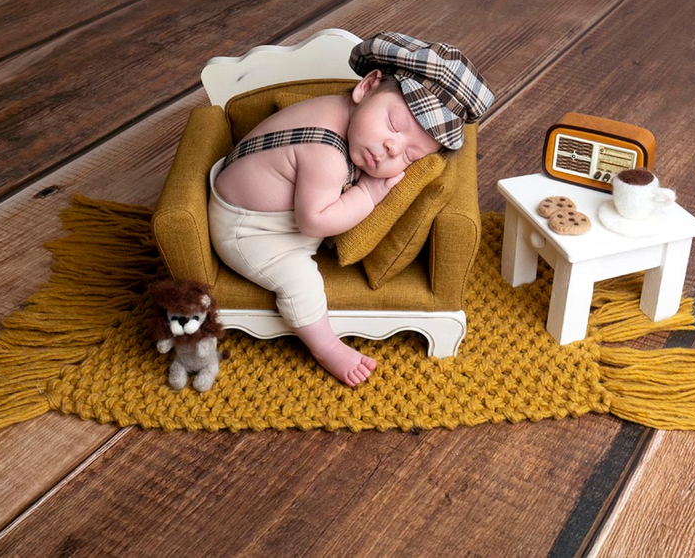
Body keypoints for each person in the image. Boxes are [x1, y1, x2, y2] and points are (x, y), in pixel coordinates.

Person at [208, 32, 494, 386]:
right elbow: (314, 222)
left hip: (263, 194)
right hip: (251, 232)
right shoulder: (326, 153)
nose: (392, 148)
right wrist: (368, 196)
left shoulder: (347, 113)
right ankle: (325, 346)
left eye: (410, 155)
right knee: (300, 281)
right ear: (368, 86)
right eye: (395, 125)